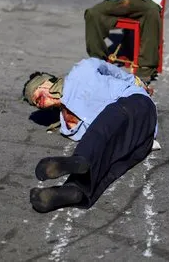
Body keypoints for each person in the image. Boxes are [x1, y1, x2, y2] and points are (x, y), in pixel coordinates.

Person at [22, 58, 159, 213]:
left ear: (45, 83)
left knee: (107, 122)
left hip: (137, 105)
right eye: (37, 104)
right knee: (109, 166)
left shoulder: (81, 71)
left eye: (39, 96)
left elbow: (112, 70)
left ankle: (80, 160)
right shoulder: (67, 126)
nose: (41, 103)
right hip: (140, 142)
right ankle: (75, 190)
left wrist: (138, 83)